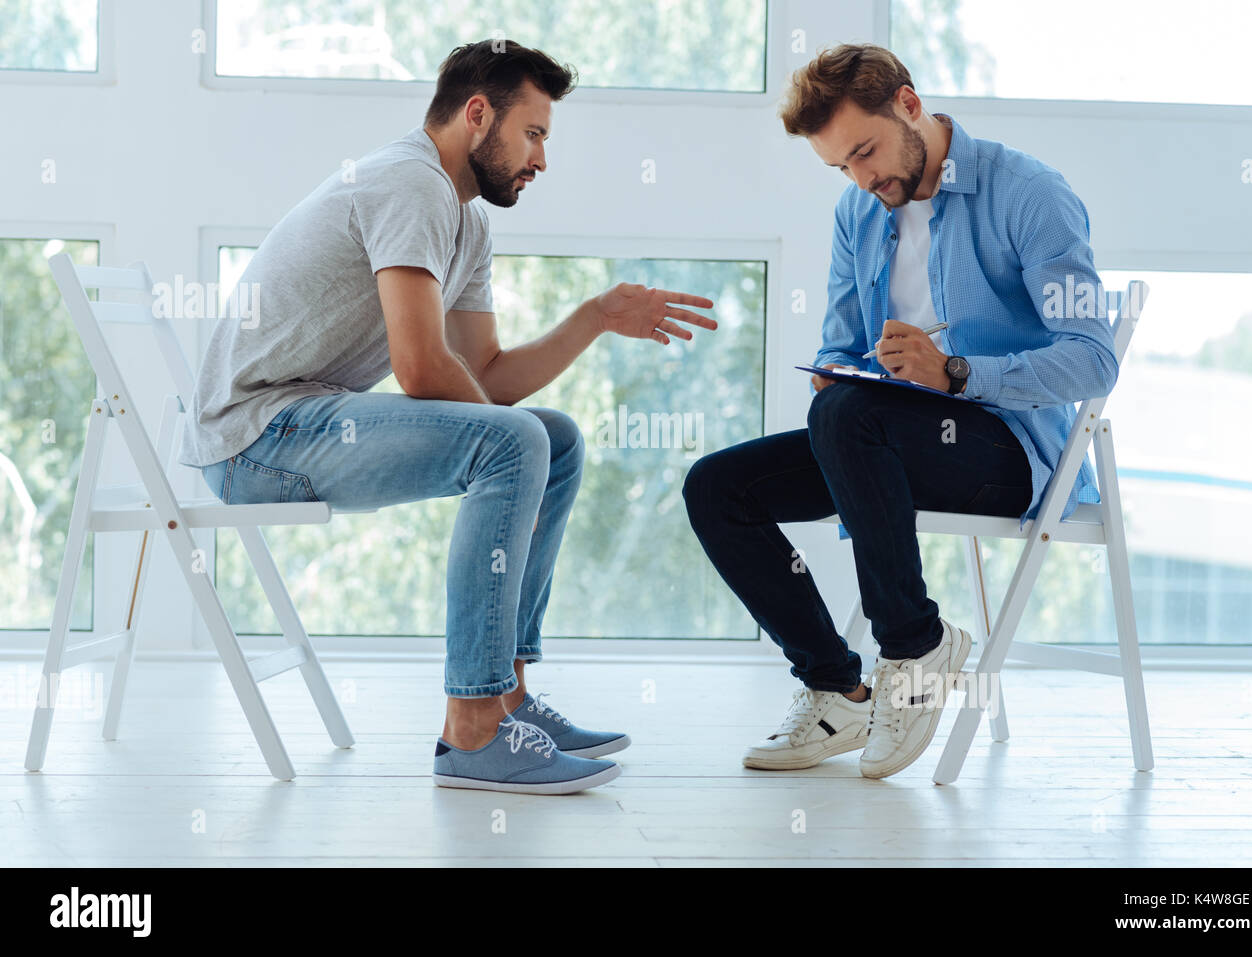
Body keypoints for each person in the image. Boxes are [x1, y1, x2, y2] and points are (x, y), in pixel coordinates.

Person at [179, 40, 716, 795]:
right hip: (255, 435)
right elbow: (423, 367)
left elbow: (488, 378)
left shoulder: (468, 223)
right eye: (533, 134)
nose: (541, 159)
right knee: (522, 442)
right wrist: (510, 453)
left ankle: (509, 698)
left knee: (553, 438)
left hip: (305, 421)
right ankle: (471, 730)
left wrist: (593, 318)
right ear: (476, 114)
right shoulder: (411, 183)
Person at [682, 43, 1117, 779]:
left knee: (852, 417)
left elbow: (1094, 357)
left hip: (1011, 454)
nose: (862, 178)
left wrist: (953, 372)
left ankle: (914, 648)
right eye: (841, 166)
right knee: (719, 489)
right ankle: (835, 685)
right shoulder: (860, 210)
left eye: (865, 152)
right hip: (875, 440)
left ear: (909, 105)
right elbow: (842, 343)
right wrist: (835, 373)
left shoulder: (1029, 194)